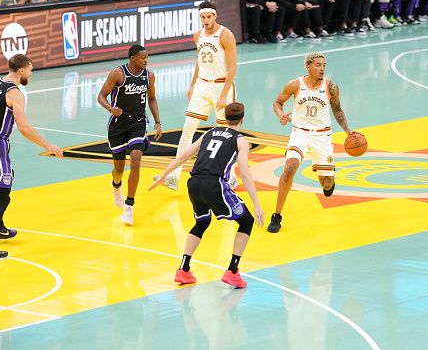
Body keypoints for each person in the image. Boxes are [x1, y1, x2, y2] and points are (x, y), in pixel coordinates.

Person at [150, 102, 264, 288]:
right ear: (242, 119)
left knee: (202, 222)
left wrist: (163, 176)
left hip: (194, 183)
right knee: (247, 221)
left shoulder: (209, 133)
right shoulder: (241, 140)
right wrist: (257, 204)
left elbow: (182, 157)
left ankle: (183, 269)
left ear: (225, 118)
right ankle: (233, 271)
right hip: (215, 184)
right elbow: (244, 173)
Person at [0, 54, 63, 260]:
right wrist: (48, 145)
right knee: (3, 195)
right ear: (21, 70)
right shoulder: (15, 93)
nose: (31, 73)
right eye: (30, 69)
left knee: (1, 184)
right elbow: (24, 128)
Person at [268, 53, 358, 233]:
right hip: (299, 133)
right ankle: (277, 215)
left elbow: (337, 110)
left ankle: (327, 178)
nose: (322, 68)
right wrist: (281, 115)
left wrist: (348, 130)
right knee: (290, 168)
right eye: (318, 65)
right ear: (308, 66)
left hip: (322, 136)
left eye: (324, 65)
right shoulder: (295, 84)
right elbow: (277, 103)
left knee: (326, 184)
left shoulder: (330, 86)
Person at [160, 0, 238, 191]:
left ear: (215, 15)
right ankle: (174, 176)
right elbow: (199, 61)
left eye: (209, 16)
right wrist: (192, 84)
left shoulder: (226, 35)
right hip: (202, 86)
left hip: (221, 87)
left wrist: (224, 95)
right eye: (203, 17)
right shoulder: (198, 35)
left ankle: (232, 175)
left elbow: (233, 67)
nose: (206, 20)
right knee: (188, 128)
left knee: (226, 134)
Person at [97, 45, 162, 225]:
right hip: (118, 125)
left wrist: (157, 122)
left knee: (135, 161)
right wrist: (110, 108)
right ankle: (116, 185)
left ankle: (129, 206)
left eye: (147, 57)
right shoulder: (118, 74)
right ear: (133, 58)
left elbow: (152, 98)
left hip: (138, 123)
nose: (146, 61)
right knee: (118, 170)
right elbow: (101, 96)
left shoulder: (149, 76)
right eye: (142, 58)